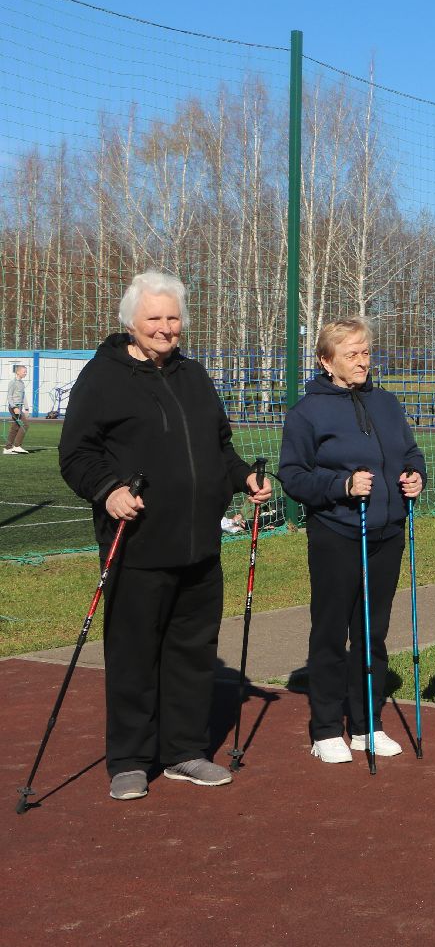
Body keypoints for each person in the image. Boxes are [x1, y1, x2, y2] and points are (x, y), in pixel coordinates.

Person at [58, 271, 272, 801]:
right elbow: (76, 454)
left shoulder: (194, 375)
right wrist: (107, 490)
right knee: (133, 654)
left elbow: (219, 448)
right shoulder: (102, 377)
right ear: (131, 321)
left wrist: (244, 475)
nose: (165, 327)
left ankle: (184, 752)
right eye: (154, 317)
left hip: (200, 545)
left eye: (173, 318)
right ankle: (129, 759)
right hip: (137, 545)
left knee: (192, 652)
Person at [280, 316, 425, 765]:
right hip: (337, 534)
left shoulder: (386, 402)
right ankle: (326, 728)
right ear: (326, 361)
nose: (363, 361)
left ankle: (366, 724)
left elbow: (409, 451)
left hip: (387, 531)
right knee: (331, 630)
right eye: (352, 354)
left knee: (372, 632)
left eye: (366, 352)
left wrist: (415, 475)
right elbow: (293, 475)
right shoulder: (307, 412)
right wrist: (341, 486)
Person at [6, 363, 28, 453]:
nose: (26, 373)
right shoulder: (12, 382)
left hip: (19, 407)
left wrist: (26, 408)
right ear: (18, 372)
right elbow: (9, 396)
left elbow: (23, 396)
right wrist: (14, 407)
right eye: (24, 372)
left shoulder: (22, 383)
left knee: (15, 427)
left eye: (26, 372)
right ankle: (17, 446)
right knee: (25, 425)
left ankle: (7, 448)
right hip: (14, 407)